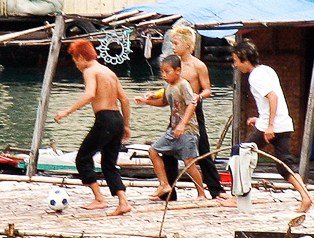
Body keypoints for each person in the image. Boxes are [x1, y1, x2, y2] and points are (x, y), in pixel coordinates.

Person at [54, 38, 133, 215]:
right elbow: (125, 99)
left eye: (75, 60)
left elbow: (89, 94)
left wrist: (67, 111)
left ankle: (99, 198)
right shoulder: (108, 71)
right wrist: (126, 125)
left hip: (105, 118)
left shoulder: (90, 71)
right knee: (109, 163)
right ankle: (123, 202)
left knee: (83, 158)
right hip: (117, 118)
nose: (75, 64)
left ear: (81, 57)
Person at [169, 24, 231, 207]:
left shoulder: (198, 65)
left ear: (187, 45)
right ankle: (169, 190)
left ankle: (216, 189)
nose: (173, 47)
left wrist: (198, 96)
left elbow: (208, 90)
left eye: (176, 43)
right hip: (176, 109)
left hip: (194, 109)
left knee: (203, 149)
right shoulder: (173, 64)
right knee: (168, 149)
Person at [134, 54, 205, 202]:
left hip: (187, 131)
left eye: (167, 71)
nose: (164, 75)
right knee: (153, 151)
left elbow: (192, 104)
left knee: (189, 163)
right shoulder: (169, 86)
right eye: (162, 72)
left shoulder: (184, 84)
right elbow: (164, 102)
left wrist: (183, 123)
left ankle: (201, 193)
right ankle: (164, 184)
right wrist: (146, 102)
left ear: (178, 71)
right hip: (173, 130)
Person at [230, 40, 294, 163]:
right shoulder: (267, 69)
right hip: (284, 124)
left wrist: (270, 126)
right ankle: (300, 184)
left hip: (270, 127)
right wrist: (259, 119)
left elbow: (273, 97)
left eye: (236, 61)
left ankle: (240, 182)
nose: (236, 65)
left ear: (245, 60)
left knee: (240, 154)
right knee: (286, 166)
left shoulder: (254, 77)